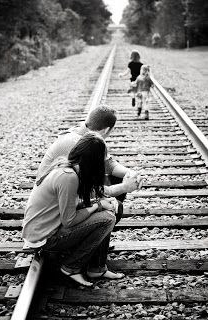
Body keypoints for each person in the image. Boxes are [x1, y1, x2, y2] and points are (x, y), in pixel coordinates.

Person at [22, 133, 125, 287]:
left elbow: (73, 203)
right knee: (107, 218)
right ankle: (71, 266)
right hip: (44, 238)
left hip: (44, 229)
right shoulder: (68, 177)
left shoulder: (67, 167)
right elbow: (69, 220)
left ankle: (97, 267)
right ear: (93, 162)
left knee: (106, 210)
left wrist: (98, 202)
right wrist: (98, 205)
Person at [37, 105, 143, 205]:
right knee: (109, 211)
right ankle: (105, 215)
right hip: (53, 200)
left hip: (52, 189)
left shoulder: (83, 133)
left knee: (117, 178)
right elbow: (90, 187)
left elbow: (108, 164)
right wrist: (123, 187)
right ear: (106, 130)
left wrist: (131, 173)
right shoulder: (78, 143)